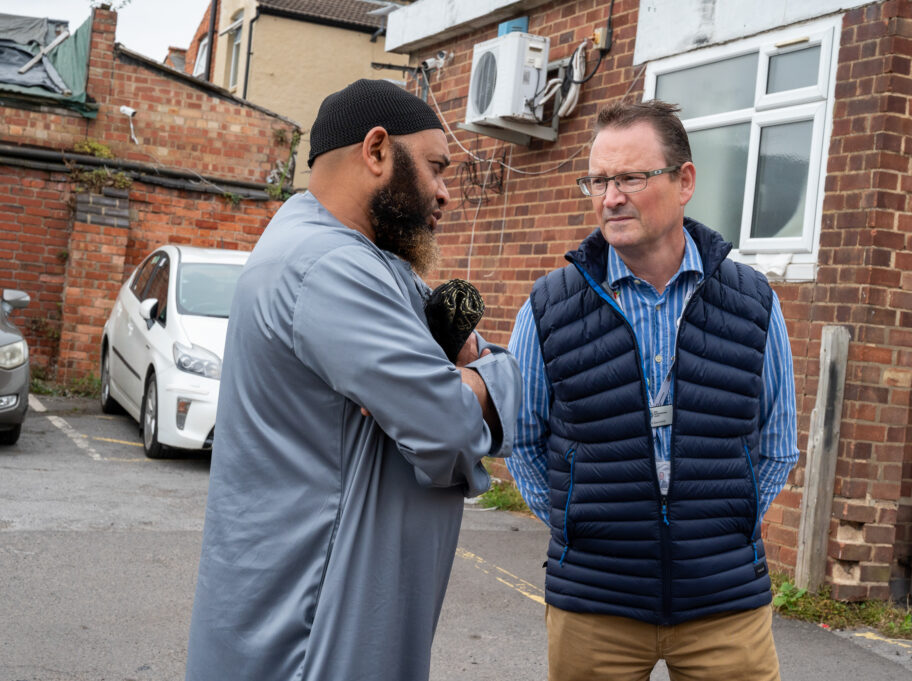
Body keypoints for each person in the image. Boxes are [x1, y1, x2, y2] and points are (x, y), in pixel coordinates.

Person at [185, 79, 521, 681]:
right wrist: (485, 379)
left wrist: (455, 378)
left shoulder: (355, 259)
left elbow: (452, 380)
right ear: (376, 151)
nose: (446, 195)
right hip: (314, 638)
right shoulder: (329, 268)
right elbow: (447, 427)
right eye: (437, 168)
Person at [507, 99, 798, 681]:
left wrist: (725, 526)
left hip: (725, 608)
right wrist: (576, 523)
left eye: (632, 178)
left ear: (684, 180)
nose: (610, 196)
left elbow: (778, 444)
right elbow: (521, 440)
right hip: (595, 607)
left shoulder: (754, 301)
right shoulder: (549, 306)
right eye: (598, 179)